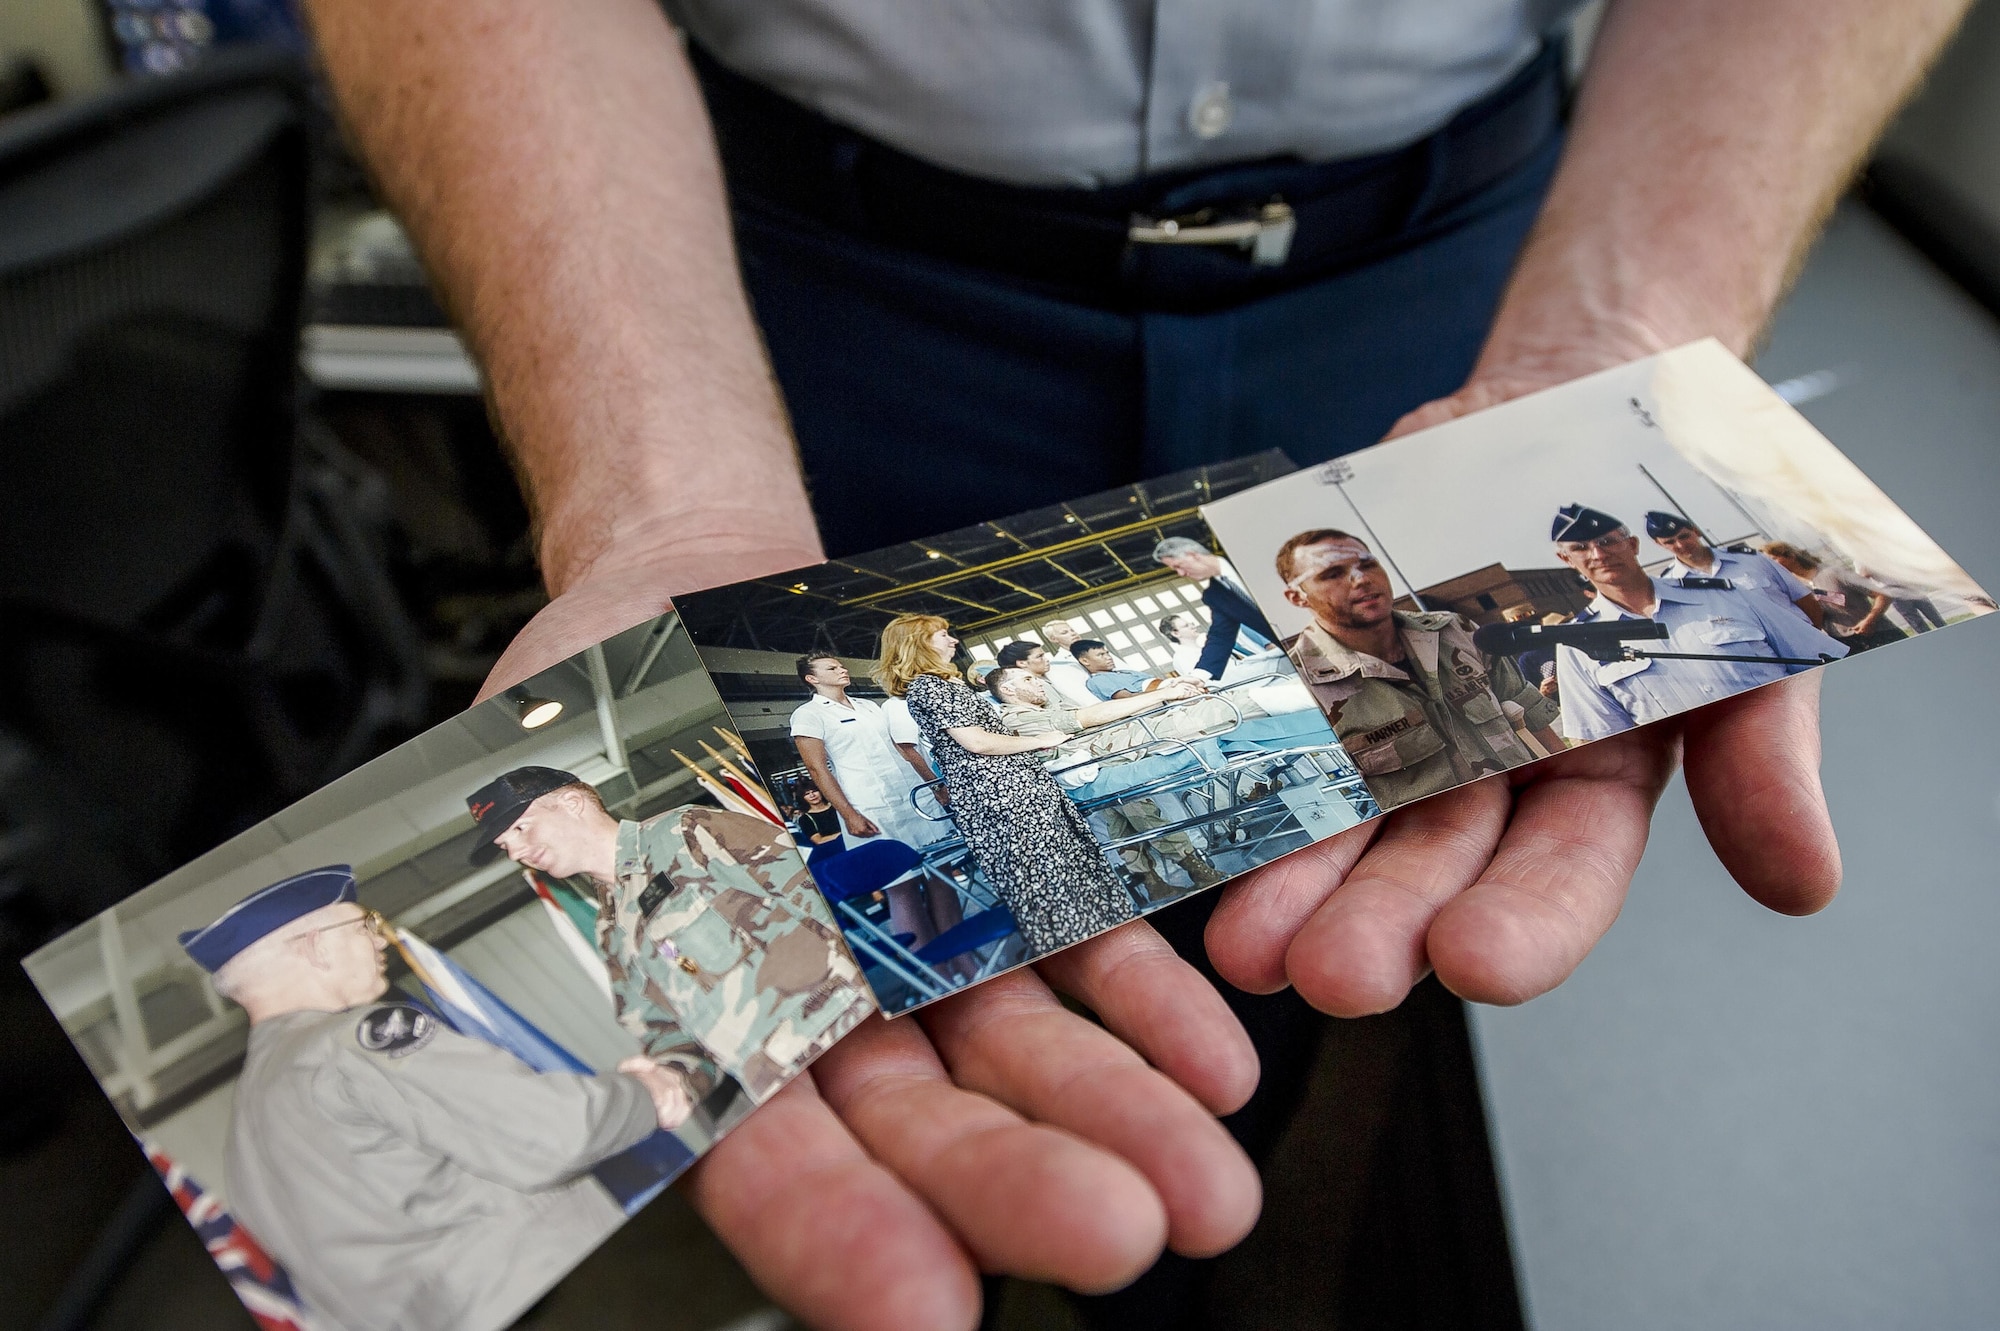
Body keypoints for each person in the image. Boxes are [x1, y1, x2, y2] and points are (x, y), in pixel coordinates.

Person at [307, 0, 1969, 1318]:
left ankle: (1189, 1260)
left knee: (1300, 929)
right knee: (947, 1005)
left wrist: (1624, 338)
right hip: (790, 279)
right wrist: (656, 504)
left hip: (1465, 267)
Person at [179, 866, 690, 1331]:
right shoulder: (354, 1043)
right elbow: (549, 1131)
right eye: (364, 926)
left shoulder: (242, 1140)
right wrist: (649, 1091)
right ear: (315, 947)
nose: (382, 940)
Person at [468, 766, 874, 1105]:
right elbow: (664, 1032)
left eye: (521, 829)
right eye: (506, 846)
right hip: (778, 1089)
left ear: (573, 804)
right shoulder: (610, 930)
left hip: (853, 1033)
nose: (517, 852)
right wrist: (672, 1081)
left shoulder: (686, 833)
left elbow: (817, 896)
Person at [880, 614, 1137, 954]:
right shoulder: (929, 688)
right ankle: (1086, 949)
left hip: (1013, 784)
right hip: (1000, 793)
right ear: (918, 644)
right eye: (943, 635)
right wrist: (1041, 739)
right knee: (1048, 876)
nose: (953, 640)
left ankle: (1102, 939)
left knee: (1062, 867)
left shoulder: (944, 685)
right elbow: (977, 743)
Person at [1275, 528, 1564, 810]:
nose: (1361, 579)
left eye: (1367, 564)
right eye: (1333, 574)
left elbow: (1534, 719)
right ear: (1297, 597)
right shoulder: (1303, 689)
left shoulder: (1454, 630)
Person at [1549, 505, 1847, 743]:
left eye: (1607, 541)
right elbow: (1603, 743)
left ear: (1632, 544)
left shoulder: (1725, 595)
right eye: (1580, 548)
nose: (1599, 554)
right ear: (1565, 558)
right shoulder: (1577, 644)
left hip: (1793, 743)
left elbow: (1821, 665)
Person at [987, 664, 1223, 898]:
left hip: (1098, 763)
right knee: (1139, 808)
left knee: (1120, 820)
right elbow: (1088, 719)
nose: (1038, 682)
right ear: (1008, 689)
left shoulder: (1046, 705)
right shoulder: (1015, 717)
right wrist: (1165, 694)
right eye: (1028, 680)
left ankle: (1154, 884)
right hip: (1088, 770)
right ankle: (1196, 869)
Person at [789, 654, 958, 946]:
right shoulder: (808, 714)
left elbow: (905, 748)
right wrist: (849, 814)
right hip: (870, 807)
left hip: (911, 798)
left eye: (840, 665)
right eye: (831, 668)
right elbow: (816, 768)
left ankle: (963, 955)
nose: (841, 669)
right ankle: (936, 971)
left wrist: (933, 783)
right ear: (812, 679)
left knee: (942, 875)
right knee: (901, 886)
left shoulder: (869, 706)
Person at [1644, 511, 1825, 628]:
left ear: (1696, 531)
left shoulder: (1750, 559)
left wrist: (1813, 637)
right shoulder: (1673, 584)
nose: (1681, 544)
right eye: (1670, 542)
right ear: (1658, 544)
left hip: (1803, 640)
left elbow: (1804, 599)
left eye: (1684, 536)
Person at [1153, 537, 1280, 680]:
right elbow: (1221, 636)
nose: (1181, 574)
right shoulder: (1214, 596)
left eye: (1178, 566)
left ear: (1192, 555)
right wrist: (1199, 676)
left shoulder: (1251, 561)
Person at [1762, 541, 1905, 651]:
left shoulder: (1834, 573)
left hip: (1880, 634)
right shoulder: (1796, 589)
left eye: (1774, 559)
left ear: (1790, 556)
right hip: (1847, 645)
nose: (1771, 565)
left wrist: (1870, 620)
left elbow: (1883, 594)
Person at [1034, 620, 1103, 708]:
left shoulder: (1099, 650)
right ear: (1053, 639)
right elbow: (1077, 692)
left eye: (1072, 630)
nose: (1073, 634)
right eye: (1064, 632)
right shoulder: (1057, 665)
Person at [1077, 640, 1164, 701]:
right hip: (1160, 699)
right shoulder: (1098, 680)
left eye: (1107, 653)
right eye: (1101, 655)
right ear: (1085, 661)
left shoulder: (1123, 672)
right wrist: (1166, 693)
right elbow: (1129, 698)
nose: (1109, 657)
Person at [791, 785, 846, 862]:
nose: (812, 795)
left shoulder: (837, 806)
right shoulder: (805, 819)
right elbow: (818, 840)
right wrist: (842, 834)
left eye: (814, 791)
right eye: (807, 794)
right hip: (833, 853)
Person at [1161, 611, 1208, 677]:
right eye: (1186, 626)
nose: (1193, 627)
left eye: (1191, 624)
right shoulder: (1182, 657)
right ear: (1176, 633)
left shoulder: (1204, 643)